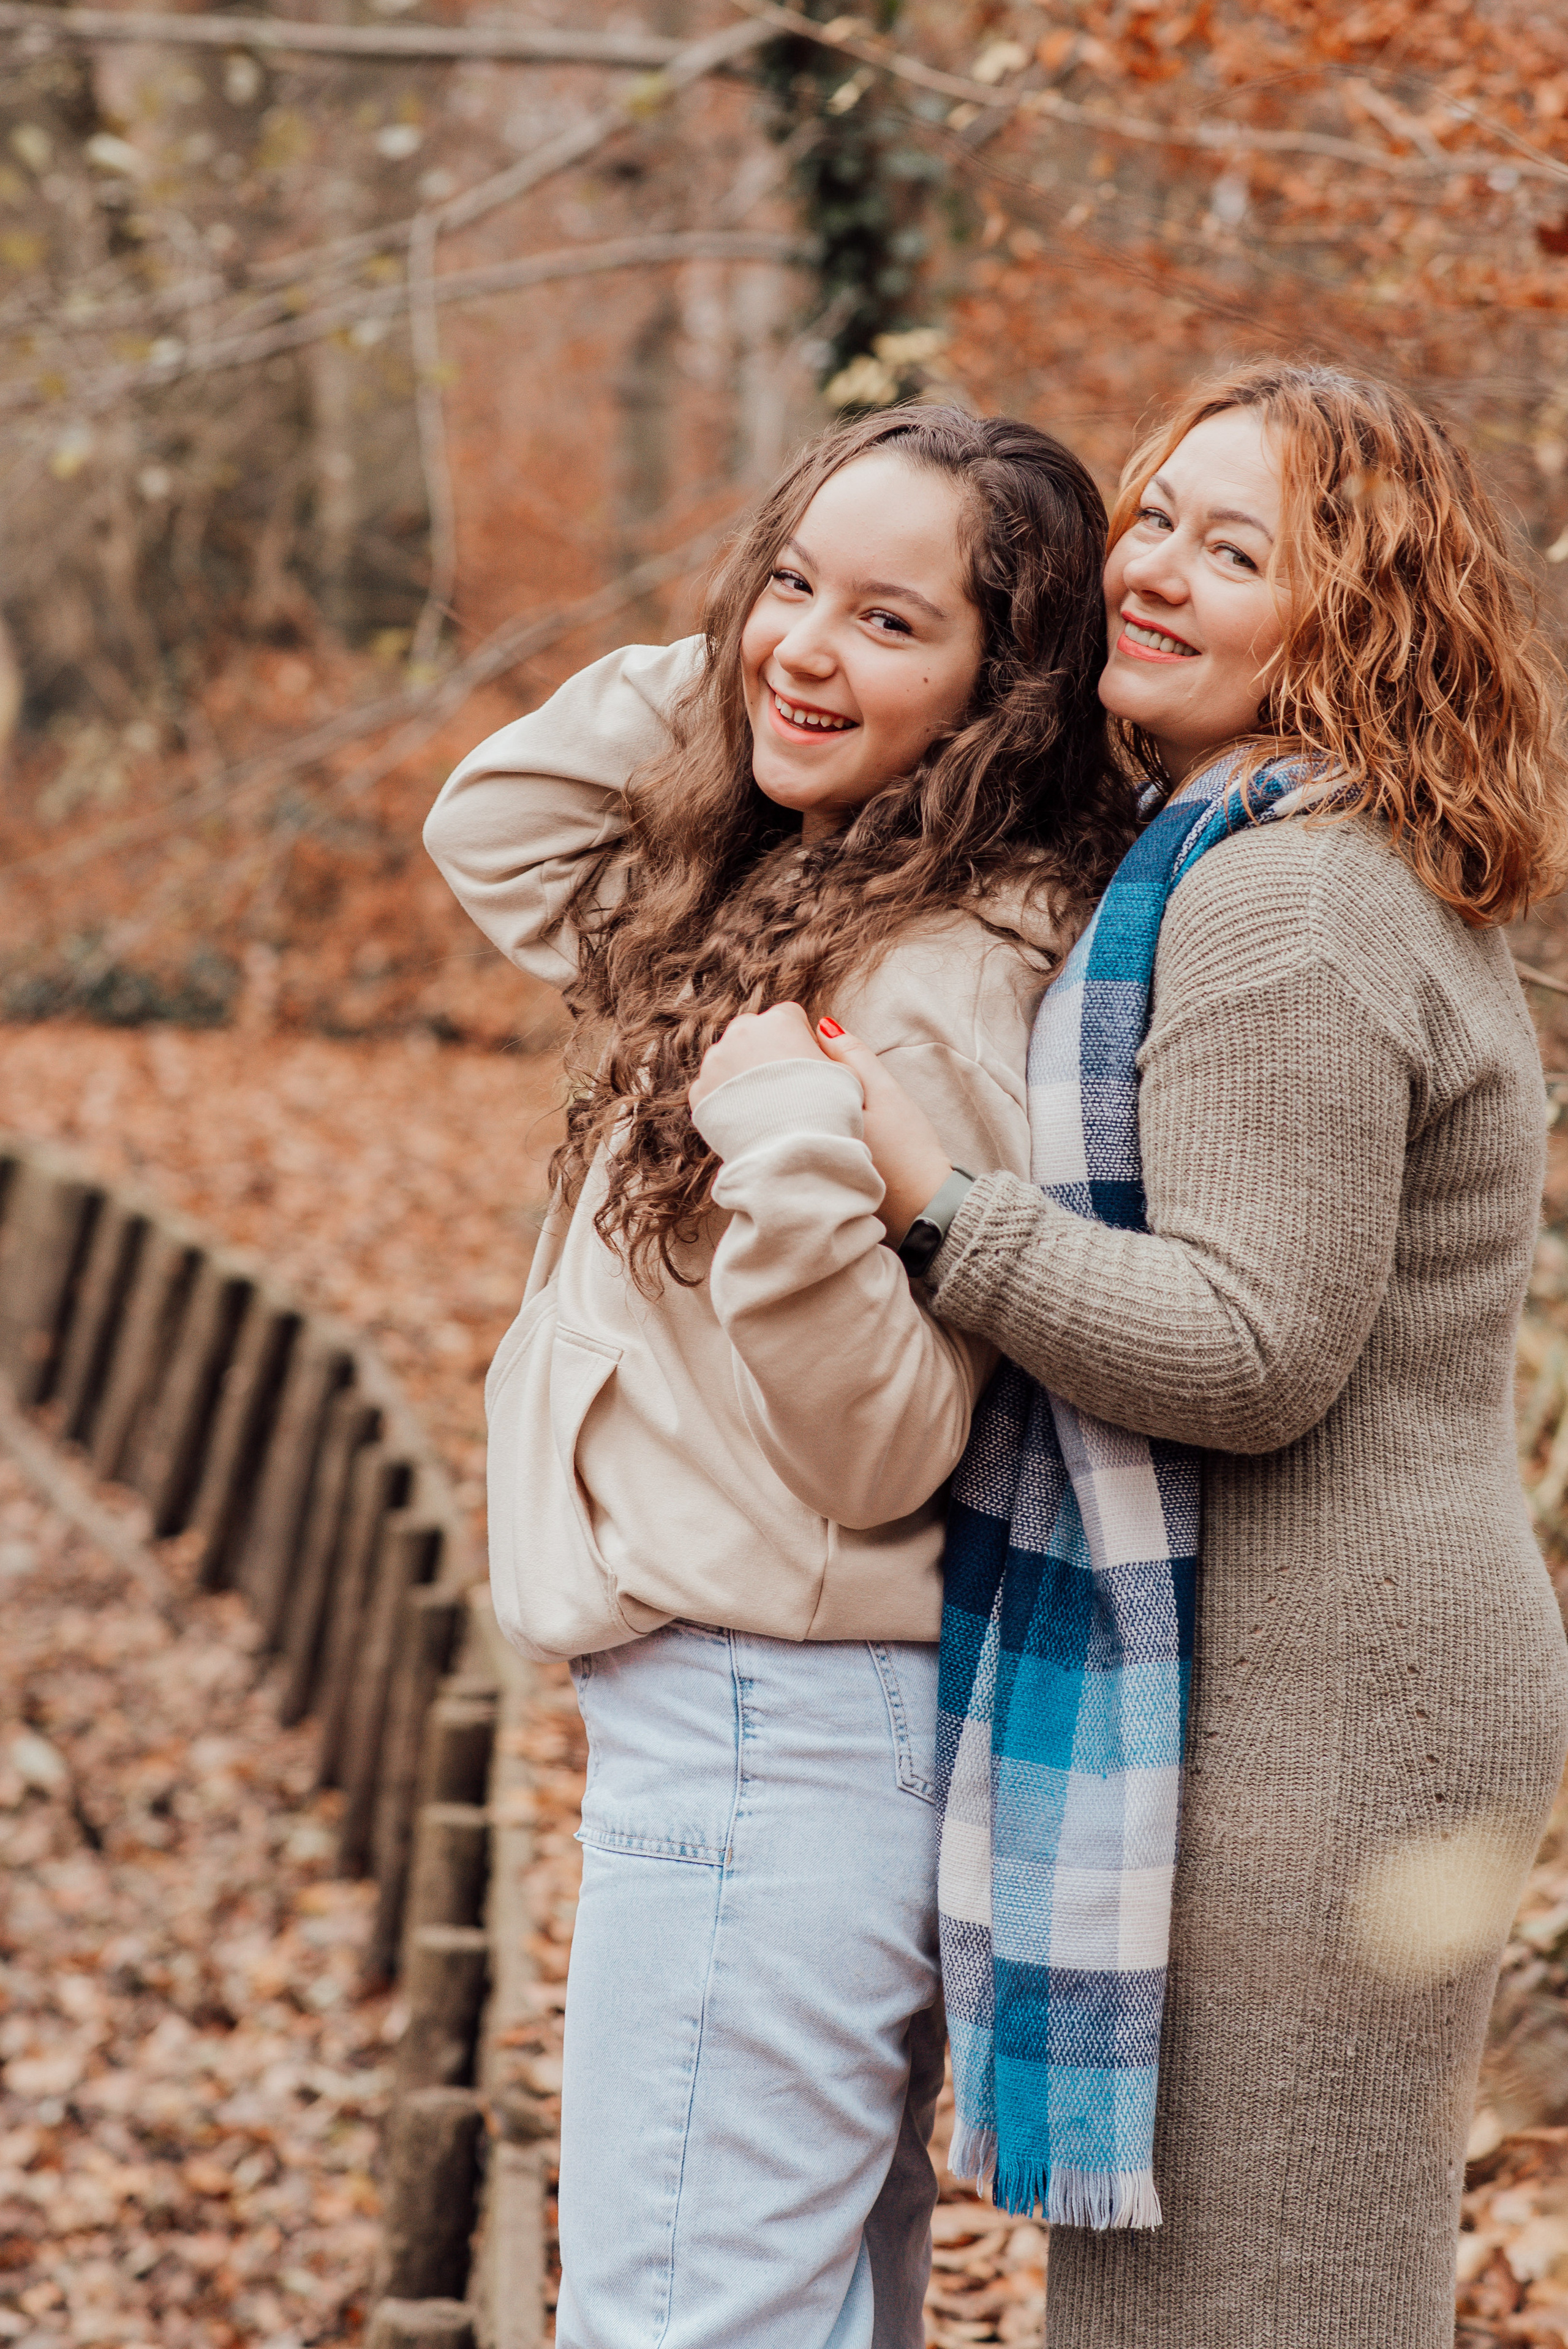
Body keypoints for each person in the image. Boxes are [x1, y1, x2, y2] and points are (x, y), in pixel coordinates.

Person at [698, 362, 1568, 2347]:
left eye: (1233, 548)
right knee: (1273, 2287)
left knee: (1236, 2305)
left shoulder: (1279, 900)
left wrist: (930, 1197)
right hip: (1357, 1669)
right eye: (1155, 515)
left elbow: (1256, 1347)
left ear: (1352, 615)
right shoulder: (1309, 854)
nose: (1153, 569)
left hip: (1332, 1705)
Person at [423, 404, 1135, 2349]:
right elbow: (492, 827)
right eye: (796, 581)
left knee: (684, 2315)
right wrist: (766, 642)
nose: (812, 646)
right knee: (792, 2315)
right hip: (757, 1722)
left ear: (1011, 690)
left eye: (895, 621)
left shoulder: (942, 976)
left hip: (782, 1722)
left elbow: (893, 1445)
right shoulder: (790, 885)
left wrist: (798, 1164)